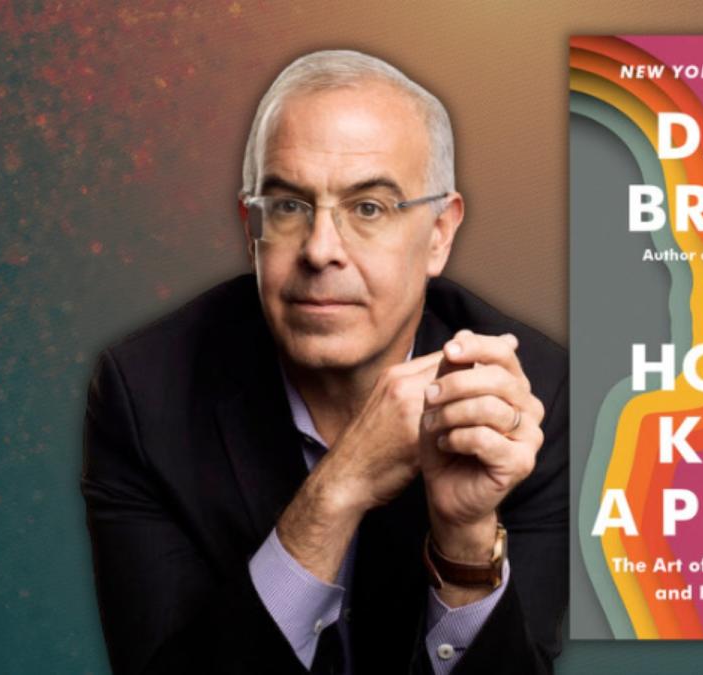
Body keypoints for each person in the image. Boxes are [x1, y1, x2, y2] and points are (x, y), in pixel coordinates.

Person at [81, 50, 568, 675]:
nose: (320, 250)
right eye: (288, 206)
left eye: (369, 208)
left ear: (440, 233)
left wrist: (467, 540)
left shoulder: (530, 395)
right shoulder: (145, 394)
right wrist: (339, 489)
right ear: (250, 227)